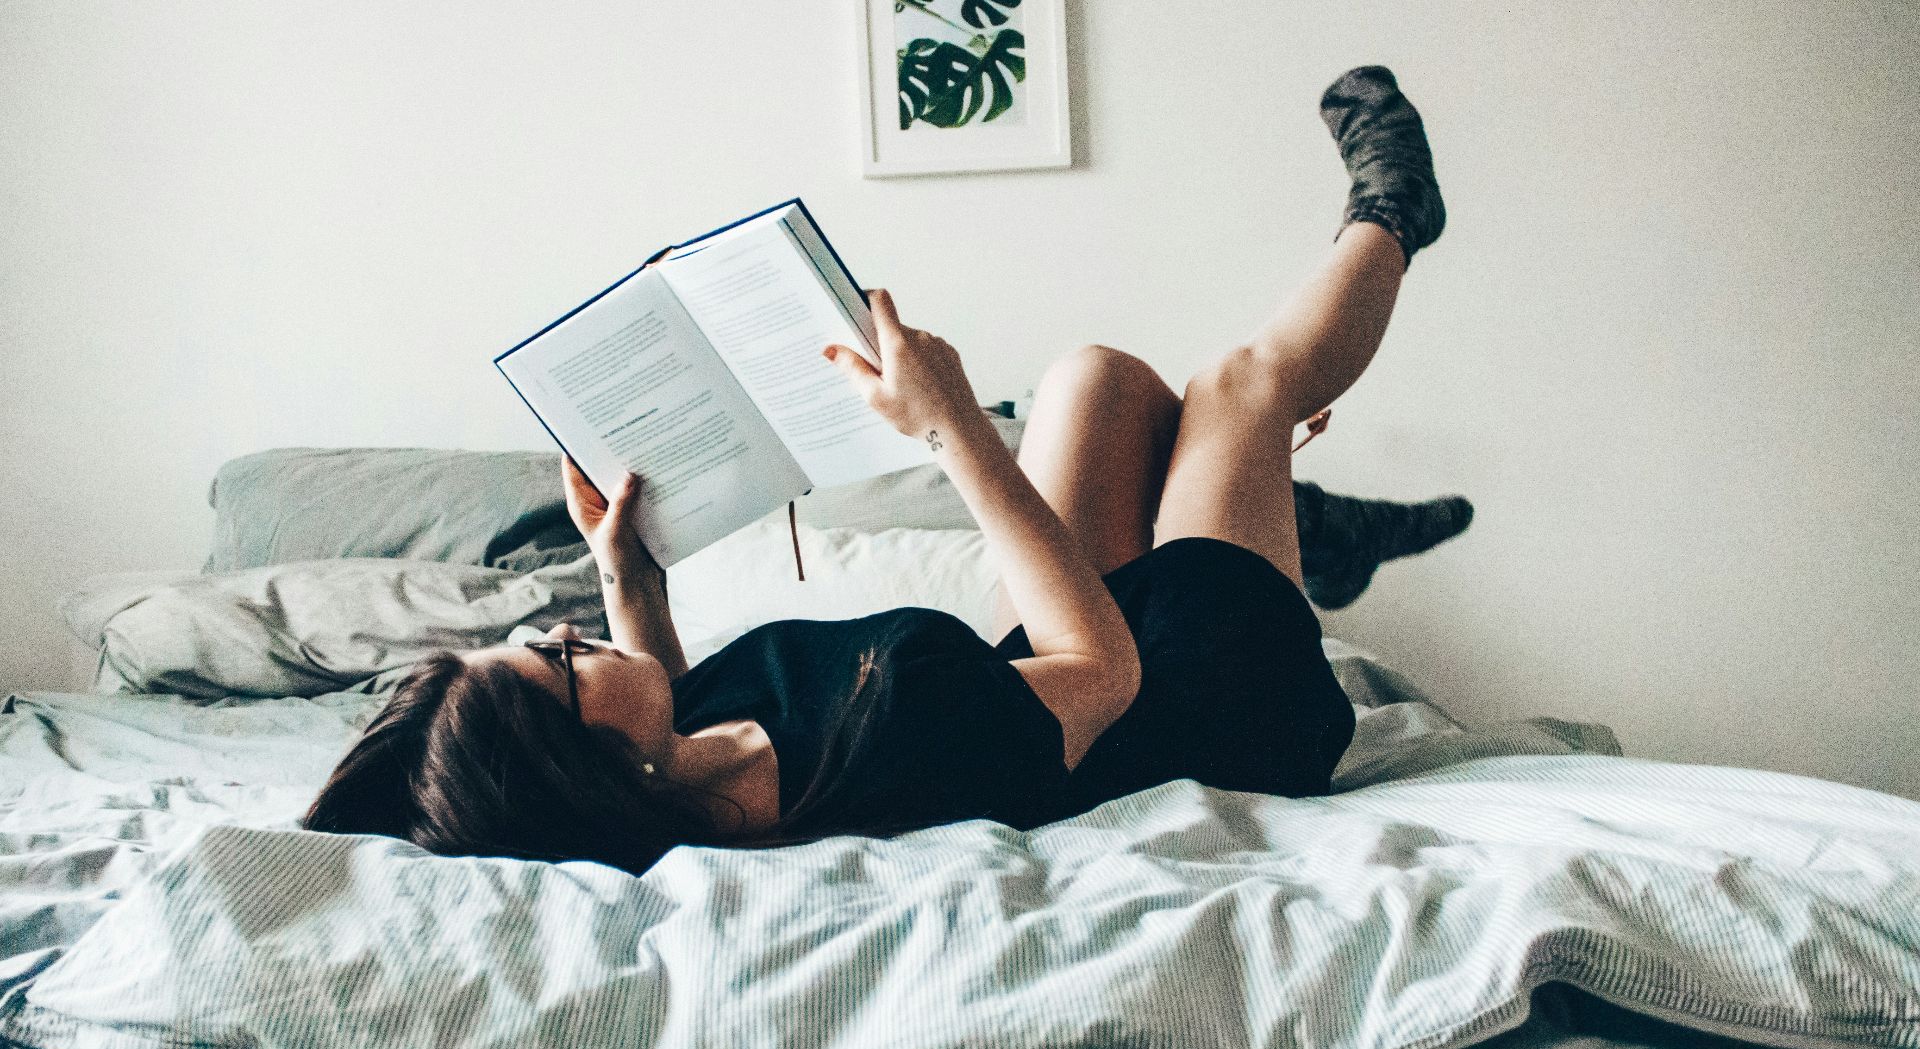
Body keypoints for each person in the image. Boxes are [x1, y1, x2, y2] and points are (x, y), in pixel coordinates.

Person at [304, 65, 1456, 877]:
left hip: (1046, 675)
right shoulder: (877, 744)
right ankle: (1394, 213)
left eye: (542, 638)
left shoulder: (678, 766)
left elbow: (665, 692)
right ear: (591, 771)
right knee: (1238, 390)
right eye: (558, 668)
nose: (566, 639)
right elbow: (1098, 673)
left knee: (1099, 380)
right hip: (1202, 698)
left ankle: (1296, 526)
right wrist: (951, 427)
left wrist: (628, 581)